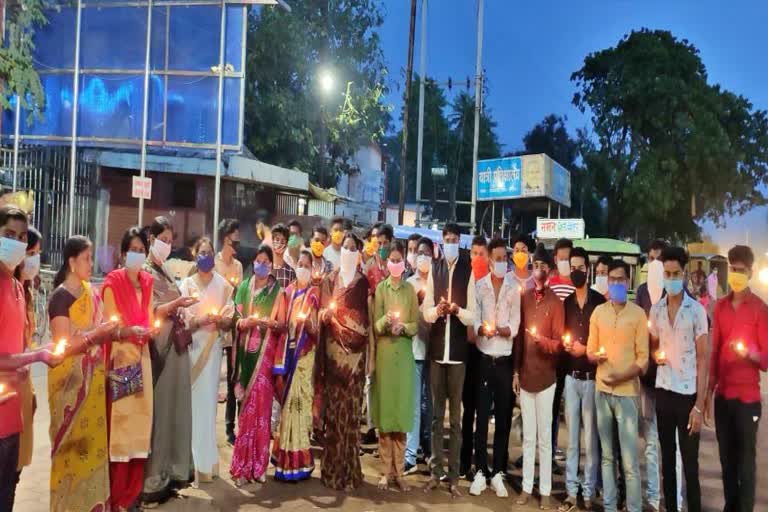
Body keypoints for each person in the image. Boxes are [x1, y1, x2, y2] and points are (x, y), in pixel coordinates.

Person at [46, 235, 118, 512]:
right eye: (87, 259)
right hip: (70, 387)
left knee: (93, 449)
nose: (91, 263)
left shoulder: (91, 292)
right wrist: (96, 335)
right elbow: (63, 345)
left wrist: (117, 330)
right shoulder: (60, 298)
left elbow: (102, 327)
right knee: (70, 453)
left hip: (94, 385)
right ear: (72, 262)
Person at [704, 245, 768, 512]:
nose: (736, 274)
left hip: (748, 400)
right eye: (732, 269)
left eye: (741, 270)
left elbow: (765, 360)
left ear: (750, 272)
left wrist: (750, 353)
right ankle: (731, 506)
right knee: (726, 461)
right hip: (723, 398)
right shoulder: (720, 307)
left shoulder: (760, 310)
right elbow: (714, 351)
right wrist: (707, 394)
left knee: (746, 462)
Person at [141, 217, 198, 504]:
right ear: (150, 238)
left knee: (176, 409)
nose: (167, 244)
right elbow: (146, 311)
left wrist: (182, 309)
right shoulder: (143, 271)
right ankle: (154, 478)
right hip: (159, 350)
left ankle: (173, 471)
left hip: (176, 347)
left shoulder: (164, 269)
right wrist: (174, 306)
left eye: (170, 239)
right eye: (162, 238)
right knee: (161, 414)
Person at [648, 246, 708, 512]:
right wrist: (655, 355)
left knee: (690, 465)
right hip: (663, 392)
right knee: (667, 463)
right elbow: (652, 345)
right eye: (667, 273)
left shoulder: (696, 311)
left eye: (675, 273)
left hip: (687, 397)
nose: (671, 278)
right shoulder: (657, 310)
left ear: (684, 275)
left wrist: (699, 405)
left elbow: (703, 358)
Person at [102, 228, 158, 511]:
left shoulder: (147, 282)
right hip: (123, 360)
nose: (136, 254)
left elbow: (149, 319)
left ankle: (133, 495)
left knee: (141, 424)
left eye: (141, 249)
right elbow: (110, 329)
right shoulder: (113, 282)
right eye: (132, 249)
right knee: (121, 429)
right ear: (123, 254)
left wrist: (148, 330)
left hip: (143, 358)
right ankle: (117, 497)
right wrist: (127, 331)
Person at [587, 259, 649, 512]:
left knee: (629, 461)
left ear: (628, 282)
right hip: (602, 392)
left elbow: (643, 360)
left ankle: (633, 507)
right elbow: (590, 350)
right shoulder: (599, 312)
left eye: (620, 280)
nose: (615, 284)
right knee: (607, 456)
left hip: (626, 395)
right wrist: (595, 357)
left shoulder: (638, 314)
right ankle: (610, 505)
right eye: (611, 279)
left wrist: (621, 376)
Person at [423, 222, 476, 498]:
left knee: (455, 419)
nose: (451, 242)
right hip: (436, 352)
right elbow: (426, 313)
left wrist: (457, 310)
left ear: (460, 240)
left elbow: (473, 315)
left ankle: (453, 477)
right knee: (435, 418)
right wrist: (438, 309)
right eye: (448, 238)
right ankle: (435, 472)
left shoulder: (468, 272)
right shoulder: (435, 268)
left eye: (455, 238)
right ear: (442, 241)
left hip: (456, 356)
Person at [317, 233, 370, 490]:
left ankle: (349, 472)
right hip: (334, 357)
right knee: (334, 414)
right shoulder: (329, 280)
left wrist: (351, 333)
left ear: (359, 253)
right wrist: (326, 317)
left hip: (356, 360)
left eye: (353, 248)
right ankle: (331, 471)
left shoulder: (363, 283)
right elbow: (322, 312)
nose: (348, 251)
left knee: (350, 416)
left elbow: (364, 322)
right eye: (345, 248)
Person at [513, 244, 564, 509]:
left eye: (543, 267)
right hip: (526, 375)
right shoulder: (525, 297)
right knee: (528, 437)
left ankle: (544, 490)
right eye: (535, 266)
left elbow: (558, 345)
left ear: (550, 271)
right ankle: (525, 487)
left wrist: (543, 341)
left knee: (545, 437)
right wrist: (515, 371)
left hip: (546, 379)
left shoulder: (556, 302)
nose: (539, 271)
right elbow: (519, 339)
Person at [469, 238, 520, 498]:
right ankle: (480, 471)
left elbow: (515, 326)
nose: (501, 263)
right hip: (483, 359)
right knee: (481, 417)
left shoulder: (514, 287)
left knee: (502, 419)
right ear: (489, 260)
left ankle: (498, 471)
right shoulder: (480, 287)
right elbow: (476, 321)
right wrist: (483, 329)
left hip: (504, 362)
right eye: (497, 258)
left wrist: (499, 330)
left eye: (504, 259)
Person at [181, 237, 235, 484]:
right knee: (191, 408)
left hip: (211, 354)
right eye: (202, 252)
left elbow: (229, 317)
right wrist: (197, 321)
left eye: (209, 252)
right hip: (192, 353)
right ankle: (191, 463)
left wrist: (222, 321)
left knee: (208, 407)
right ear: (195, 255)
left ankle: (207, 464)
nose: (206, 256)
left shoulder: (223, 286)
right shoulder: (186, 285)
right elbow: (183, 319)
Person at [230, 245, 283, 486]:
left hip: (266, 356)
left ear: (272, 266)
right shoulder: (243, 288)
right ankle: (241, 467)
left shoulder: (277, 291)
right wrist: (245, 322)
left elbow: (282, 325)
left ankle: (259, 466)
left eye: (267, 262)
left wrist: (270, 323)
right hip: (246, 358)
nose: (262, 265)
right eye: (259, 261)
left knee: (262, 411)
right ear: (253, 262)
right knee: (247, 413)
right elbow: (235, 319)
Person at [559, 247, 605, 512]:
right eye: (572, 267)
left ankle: (588, 493)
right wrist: (568, 349)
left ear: (587, 269)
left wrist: (584, 350)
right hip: (571, 378)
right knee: (572, 439)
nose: (576, 271)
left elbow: (602, 343)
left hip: (591, 379)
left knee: (591, 440)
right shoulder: (566, 303)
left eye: (580, 267)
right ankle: (570, 492)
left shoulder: (598, 302)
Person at [371, 240, 419, 491]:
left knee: (400, 415)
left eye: (399, 259)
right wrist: (386, 321)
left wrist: (404, 327)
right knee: (385, 415)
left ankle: (399, 472)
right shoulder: (381, 289)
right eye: (392, 259)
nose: (396, 263)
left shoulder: (410, 291)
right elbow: (375, 325)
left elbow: (415, 324)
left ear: (404, 263)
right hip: (385, 357)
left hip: (404, 357)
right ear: (387, 261)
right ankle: (384, 471)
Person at [271, 250, 321, 481]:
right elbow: (281, 325)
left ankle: (301, 462)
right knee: (288, 411)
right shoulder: (288, 292)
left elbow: (317, 330)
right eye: (299, 264)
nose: (302, 268)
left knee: (300, 409)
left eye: (306, 265)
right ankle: (285, 461)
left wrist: (308, 326)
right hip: (288, 357)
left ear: (312, 269)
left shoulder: (314, 294)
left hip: (304, 357)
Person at [634, 240, 668, 512]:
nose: (654, 264)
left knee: (671, 444)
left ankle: (674, 497)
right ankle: (653, 498)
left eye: (659, 259)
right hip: (646, 377)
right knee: (650, 440)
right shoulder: (643, 292)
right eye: (651, 258)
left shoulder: (675, 294)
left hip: (670, 381)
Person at [404, 237, 434, 475]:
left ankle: (430, 452)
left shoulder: (439, 282)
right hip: (414, 350)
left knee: (430, 406)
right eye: (419, 253)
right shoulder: (409, 284)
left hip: (433, 351)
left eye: (426, 253)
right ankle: (410, 455)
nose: (422, 256)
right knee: (414, 404)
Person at [460, 235, 489, 479]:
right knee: (467, 408)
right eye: (474, 253)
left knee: (482, 408)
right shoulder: (463, 280)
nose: (477, 258)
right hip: (466, 352)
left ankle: (481, 462)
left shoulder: (492, 284)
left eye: (482, 253)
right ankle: (463, 460)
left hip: (486, 352)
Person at [15, 226, 41, 486]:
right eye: (31, 252)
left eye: (37, 253)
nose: (34, 260)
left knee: (17, 466)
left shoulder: (26, 293)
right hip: (8, 384)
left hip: (24, 385)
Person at [216, 219, 244, 446]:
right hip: (213, 327)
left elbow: (240, 298)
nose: (239, 241)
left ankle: (230, 427)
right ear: (227, 238)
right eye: (236, 236)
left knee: (234, 376)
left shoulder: (238, 266)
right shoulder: (213, 263)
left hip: (232, 328)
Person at [548, 238, 574, 466]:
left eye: (569, 259)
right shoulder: (550, 284)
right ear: (555, 259)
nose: (565, 262)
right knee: (552, 405)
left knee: (573, 409)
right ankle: (549, 450)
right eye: (562, 258)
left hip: (573, 354)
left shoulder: (577, 285)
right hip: (554, 354)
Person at [271, 224, 296, 289]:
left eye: (282, 241)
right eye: (277, 240)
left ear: (286, 244)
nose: (279, 244)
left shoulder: (291, 272)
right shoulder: (265, 268)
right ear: (272, 242)